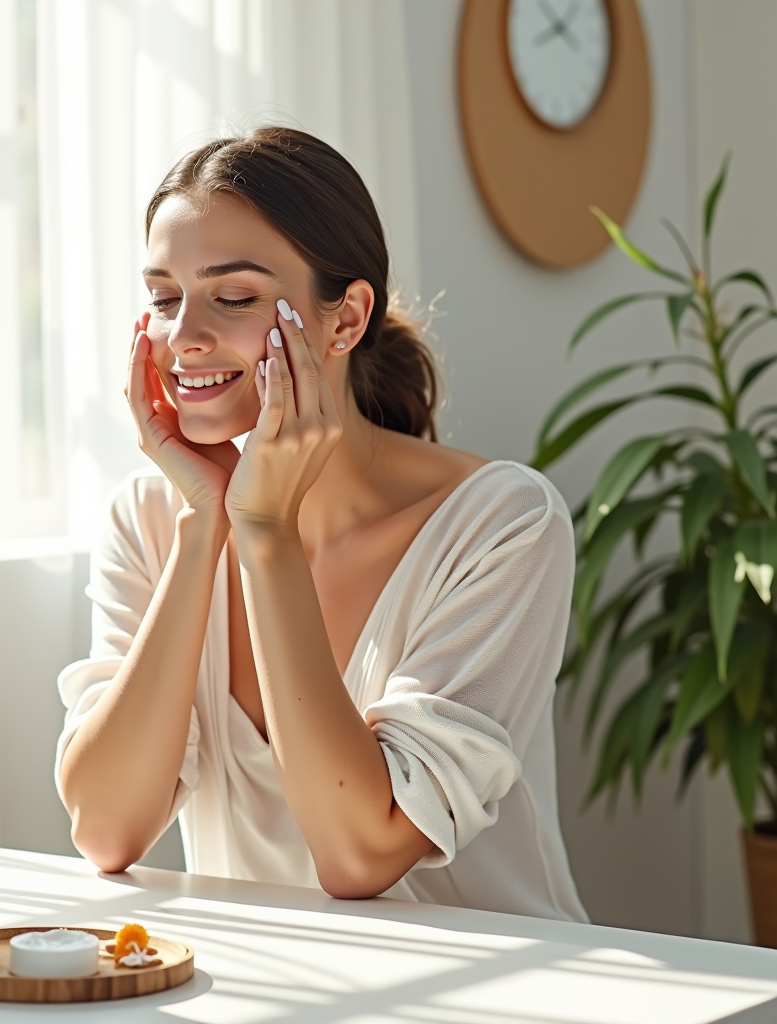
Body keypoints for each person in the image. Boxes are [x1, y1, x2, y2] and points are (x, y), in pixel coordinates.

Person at [56, 127, 587, 919]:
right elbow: (105, 829)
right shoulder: (150, 519)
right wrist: (206, 526)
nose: (183, 337)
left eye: (233, 296)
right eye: (164, 298)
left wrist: (264, 532)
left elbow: (358, 851)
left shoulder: (503, 525)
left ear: (344, 321)